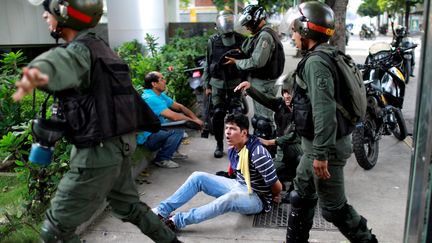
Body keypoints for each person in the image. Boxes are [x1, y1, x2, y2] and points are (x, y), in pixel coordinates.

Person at [12, 1, 181, 242]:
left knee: (55, 230)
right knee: (129, 207)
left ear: (64, 15)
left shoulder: (79, 50)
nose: (43, 16)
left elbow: (59, 64)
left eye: (48, 12)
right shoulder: (101, 47)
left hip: (97, 153)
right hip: (120, 145)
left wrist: (37, 71)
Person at [286, 2, 377, 242]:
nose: (293, 35)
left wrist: (321, 154)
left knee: (334, 208)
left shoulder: (316, 62)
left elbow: (324, 110)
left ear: (306, 32)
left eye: (295, 30)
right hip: (315, 147)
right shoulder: (325, 55)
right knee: (301, 195)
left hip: (327, 149)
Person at [152, 113, 282, 231]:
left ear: (244, 132)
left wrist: (275, 195)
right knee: (198, 177)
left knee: (228, 199)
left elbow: (277, 186)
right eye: (227, 128)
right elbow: (236, 169)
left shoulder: (258, 153)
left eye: (233, 129)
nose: (227, 133)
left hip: (257, 198)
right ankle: (161, 211)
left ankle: (177, 221)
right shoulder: (234, 145)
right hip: (238, 185)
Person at [234, 73, 302, 202]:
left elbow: (294, 135)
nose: (287, 96)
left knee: (299, 160)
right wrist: (250, 88)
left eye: (290, 92)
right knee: (266, 177)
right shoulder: (280, 104)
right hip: (282, 151)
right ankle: (287, 174)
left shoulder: (302, 109)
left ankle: (296, 186)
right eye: (284, 92)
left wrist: (271, 142)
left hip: (299, 149)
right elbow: (266, 99)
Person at [225, 4, 285, 139]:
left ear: (255, 20)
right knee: (257, 120)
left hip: (265, 83)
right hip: (259, 82)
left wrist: (237, 62)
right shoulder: (259, 34)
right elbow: (247, 49)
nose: (246, 27)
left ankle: (270, 151)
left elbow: (257, 62)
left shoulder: (265, 36)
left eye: (248, 24)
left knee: (264, 122)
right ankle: (263, 150)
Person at [203, 9, 246, 159]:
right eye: (224, 20)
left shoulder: (242, 40)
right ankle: (219, 144)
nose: (227, 23)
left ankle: (239, 144)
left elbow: (248, 63)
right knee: (218, 114)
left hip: (235, 83)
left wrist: (246, 83)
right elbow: (208, 64)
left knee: (237, 114)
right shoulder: (213, 41)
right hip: (217, 84)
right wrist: (207, 85)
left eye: (229, 20)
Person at [137, 71, 203, 168]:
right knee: (178, 129)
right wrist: (194, 123)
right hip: (148, 138)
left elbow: (179, 107)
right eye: (162, 79)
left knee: (179, 123)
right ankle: (162, 159)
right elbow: (174, 116)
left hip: (157, 129)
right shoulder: (150, 98)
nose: (165, 81)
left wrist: (195, 119)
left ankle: (172, 152)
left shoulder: (159, 94)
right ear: (154, 84)